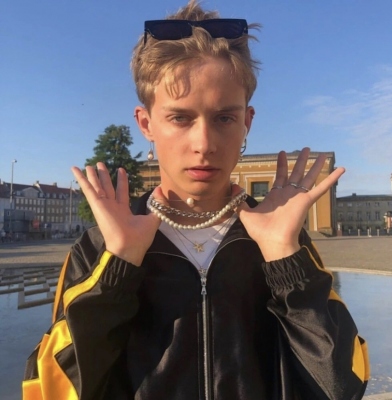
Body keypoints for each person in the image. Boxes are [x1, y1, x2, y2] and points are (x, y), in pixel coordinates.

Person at [22, 1, 369, 399]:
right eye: (180, 118)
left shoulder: (284, 245)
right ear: (146, 123)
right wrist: (118, 268)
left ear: (247, 122)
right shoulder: (99, 248)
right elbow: (49, 390)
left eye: (224, 118)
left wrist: (285, 262)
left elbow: (343, 385)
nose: (204, 144)